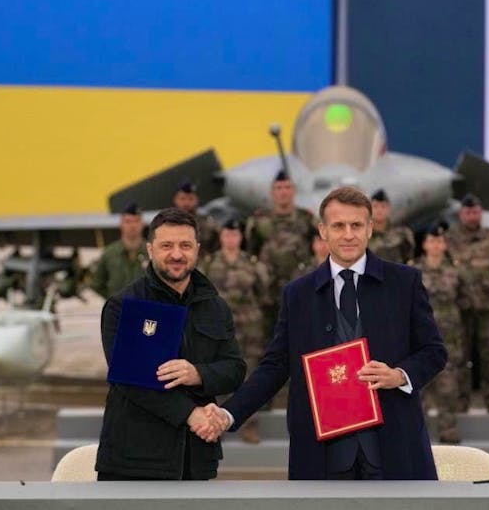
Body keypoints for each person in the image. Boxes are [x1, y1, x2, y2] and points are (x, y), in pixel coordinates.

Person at [204, 186, 447, 480]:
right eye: (338, 226)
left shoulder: (404, 282)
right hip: (322, 452)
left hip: (393, 446)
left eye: (356, 225)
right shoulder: (298, 294)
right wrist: (229, 413)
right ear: (322, 231)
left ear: (370, 229)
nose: (348, 234)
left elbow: (434, 351)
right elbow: (275, 366)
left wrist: (400, 375)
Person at [95, 208, 245, 480]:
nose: (177, 254)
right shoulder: (126, 305)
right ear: (150, 249)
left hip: (196, 460)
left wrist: (198, 373)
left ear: (197, 249)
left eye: (185, 245)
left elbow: (235, 369)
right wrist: (191, 414)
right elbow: (130, 379)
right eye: (167, 246)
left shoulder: (214, 306)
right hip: (135, 463)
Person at [199, 218, 271, 443]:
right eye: (227, 235)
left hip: (249, 331)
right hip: (218, 330)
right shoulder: (209, 264)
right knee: (217, 376)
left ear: (240, 238)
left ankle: (250, 425)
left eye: (235, 235)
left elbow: (264, 295)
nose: (231, 239)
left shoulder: (252, 264)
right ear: (221, 237)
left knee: (250, 377)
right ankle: (215, 424)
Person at [411, 220, 474, 444]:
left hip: (449, 339)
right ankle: (418, 433)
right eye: (431, 241)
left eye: (439, 241)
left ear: (444, 245)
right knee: (420, 387)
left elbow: (466, 302)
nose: (436, 245)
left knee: (448, 387)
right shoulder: (413, 272)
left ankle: (448, 430)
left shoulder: (456, 272)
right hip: (420, 339)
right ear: (425, 245)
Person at [445, 193, 489, 413]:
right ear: (461, 214)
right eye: (467, 212)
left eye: (475, 212)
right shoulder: (449, 240)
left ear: (481, 213)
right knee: (459, 356)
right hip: (459, 310)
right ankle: (461, 401)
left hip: (485, 309)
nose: (471, 216)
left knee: (488, 354)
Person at [244, 170, 317, 328]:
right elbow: (251, 253)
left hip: (300, 290)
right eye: (278, 188)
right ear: (272, 192)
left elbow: (317, 251)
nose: (283, 192)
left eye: (287, 187)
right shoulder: (259, 221)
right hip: (268, 295)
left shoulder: (306, 219)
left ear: (294, 191)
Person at [91, 202, 148, 298]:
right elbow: (97, 284)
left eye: (136, 221)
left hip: (146, 309)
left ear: (142, 224)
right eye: (128, 221)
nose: (132, 225)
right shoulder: (110, 253)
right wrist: (113, 300)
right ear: (121, 224)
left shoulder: (152, 252)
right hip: (118, 310)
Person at [367, 189, 416, 264]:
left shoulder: (402, 233)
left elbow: (408, 261)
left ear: (389, 209)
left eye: (383, 206)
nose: (379, 210)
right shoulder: (363, 234)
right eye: (375, 206)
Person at [173, 180, 221, 254]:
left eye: (190, 199)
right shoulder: (166, 223)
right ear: (175, 200)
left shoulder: (207, 223)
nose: (186, 203)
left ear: (196, 200)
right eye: (182, 199)